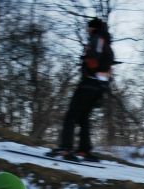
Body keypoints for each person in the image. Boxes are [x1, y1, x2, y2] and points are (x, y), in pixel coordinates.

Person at [49, 17, 115, 162]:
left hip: (88, 84)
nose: (87, 30)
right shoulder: (108, 45)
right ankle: (84, 151)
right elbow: (109, 70)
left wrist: (86, 60)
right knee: (84, 117)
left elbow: (93, 60)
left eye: (88, 28)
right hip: (100, 87)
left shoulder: (97, 39)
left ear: (94, 28)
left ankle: (66, 148)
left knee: (71, 115)